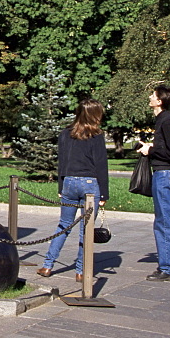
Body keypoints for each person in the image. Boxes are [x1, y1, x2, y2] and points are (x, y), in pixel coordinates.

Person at [37, 98, 109, 282]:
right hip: (90, 183)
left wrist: (61, 186)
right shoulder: (97, 135)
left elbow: (62, 162)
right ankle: (80, 271)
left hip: (69, 181)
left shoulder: (65, 134)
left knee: (63, 224)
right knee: (86, 230)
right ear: (95, 114)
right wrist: (104, 193)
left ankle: (47, 265)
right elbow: (101, 165)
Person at [137, 84, 170, 281]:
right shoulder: (163, 120)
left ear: (160, 100)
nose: (150, 97)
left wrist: (151, 151)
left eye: (153, 95)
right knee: (166, 221)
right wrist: (152, 146)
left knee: (164, 222)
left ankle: (169, 268)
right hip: (163, 174)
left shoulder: (167, 120)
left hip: (165, 175)